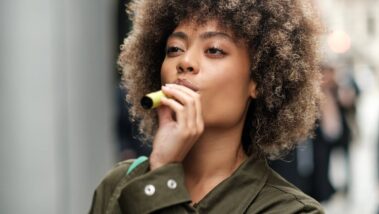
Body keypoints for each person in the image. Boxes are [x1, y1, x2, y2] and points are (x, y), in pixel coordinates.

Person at [89, 0, 324, 213]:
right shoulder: (117, 186)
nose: (185, 62)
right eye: (174, 49)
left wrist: (161, 178)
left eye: (214, 50)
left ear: (259, 79)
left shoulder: (291, 210)